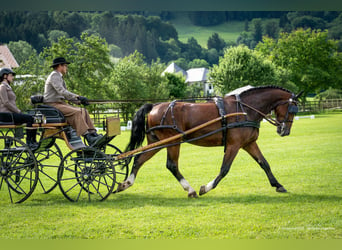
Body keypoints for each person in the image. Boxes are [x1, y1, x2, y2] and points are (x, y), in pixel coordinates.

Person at [43, 57, 102, 145]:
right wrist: (78, 97)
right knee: (77, 112)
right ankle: (88, 137)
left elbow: (65, 96)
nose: (66, 68)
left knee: (83, 111)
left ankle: (93, 133)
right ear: (60, 66)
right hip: (53, 104)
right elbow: (62, 91)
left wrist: (79, 101)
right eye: (65, 66)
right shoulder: (54, 75)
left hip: (60, 103)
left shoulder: (59, 76)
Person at [0, 68, 39, 150]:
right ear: (5, 76)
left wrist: (18, 111)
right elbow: (6, 103)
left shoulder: (7, 87)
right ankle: (29, 142)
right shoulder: (2, 87)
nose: (13, 77)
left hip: (10, 113)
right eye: (11, 75)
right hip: (6, 115)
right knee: (29, 118)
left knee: (32, 117)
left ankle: (33, 140)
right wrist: (18, 111)